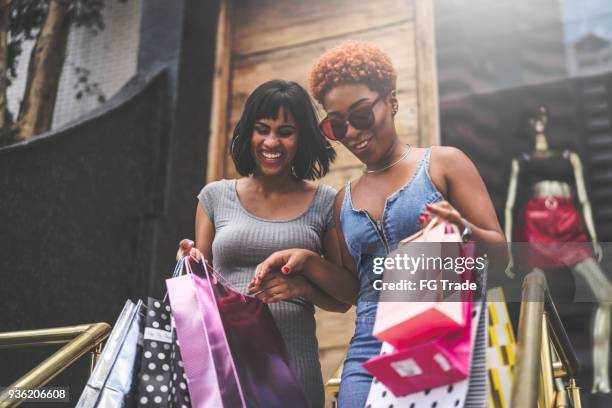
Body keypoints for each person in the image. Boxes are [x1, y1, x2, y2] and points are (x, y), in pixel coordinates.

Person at [254, 41, 507, 407]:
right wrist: (308, 264)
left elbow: (500, 256)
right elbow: (351, 293)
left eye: (360, 115)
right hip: (367, 352)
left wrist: (464, 233)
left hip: (444, 336)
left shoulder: (443, 165)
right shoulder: (344, 200)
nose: (352, 133)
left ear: (390, 101)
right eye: (337, 125)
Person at [177, 79, 359, 408]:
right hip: (226, 366)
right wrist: (186, 263)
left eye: (285, 131)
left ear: (301, 137)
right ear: (249, 133)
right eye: (263, 129)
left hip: (294, 369)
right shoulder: (214, 197)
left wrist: (304, 279)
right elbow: (196, 294)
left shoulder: (325, 202)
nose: (271, 142)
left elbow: (346, 296)